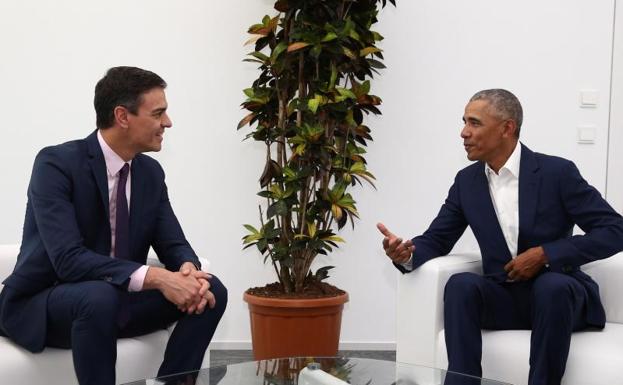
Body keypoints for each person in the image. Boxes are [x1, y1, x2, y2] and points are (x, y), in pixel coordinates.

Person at [378, 89, 623, 385]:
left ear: (507, 128)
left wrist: (546, 253)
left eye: (475, 123)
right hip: (506, 297)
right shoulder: (466, 182)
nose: (464, 132)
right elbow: (438, 238)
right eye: (464, 122)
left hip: (560, 299)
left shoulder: (557, 173)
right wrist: (408, 253)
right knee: (461, 285)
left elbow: (614, 229)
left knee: (552, 285)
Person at [0, 66, 227, 385]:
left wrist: (188, 271)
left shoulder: (149, 173)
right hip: (49, 304)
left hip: (115, 300)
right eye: (158, 113)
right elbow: (68, 260)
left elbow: (172, 243)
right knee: (98, 297)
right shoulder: (56, 165)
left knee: (211, 289)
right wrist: (160, 278)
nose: (168, 123)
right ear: (123, 116)